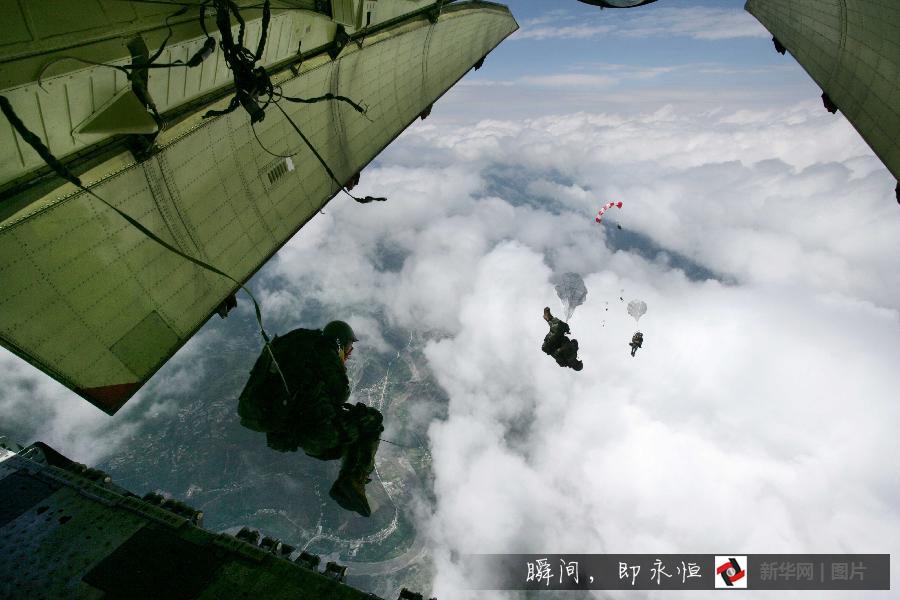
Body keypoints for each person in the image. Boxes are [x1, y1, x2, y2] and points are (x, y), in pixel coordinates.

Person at [238, 320, 383, 517]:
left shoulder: (298, 346)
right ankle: (352, 481)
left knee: (341, 431)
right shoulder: (325, 352)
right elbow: (341, 393)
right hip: (313, 434)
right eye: (348, 348)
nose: (348, 354)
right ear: (340, 344)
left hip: (275, 422)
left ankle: (348, 480)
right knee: (372, 421)